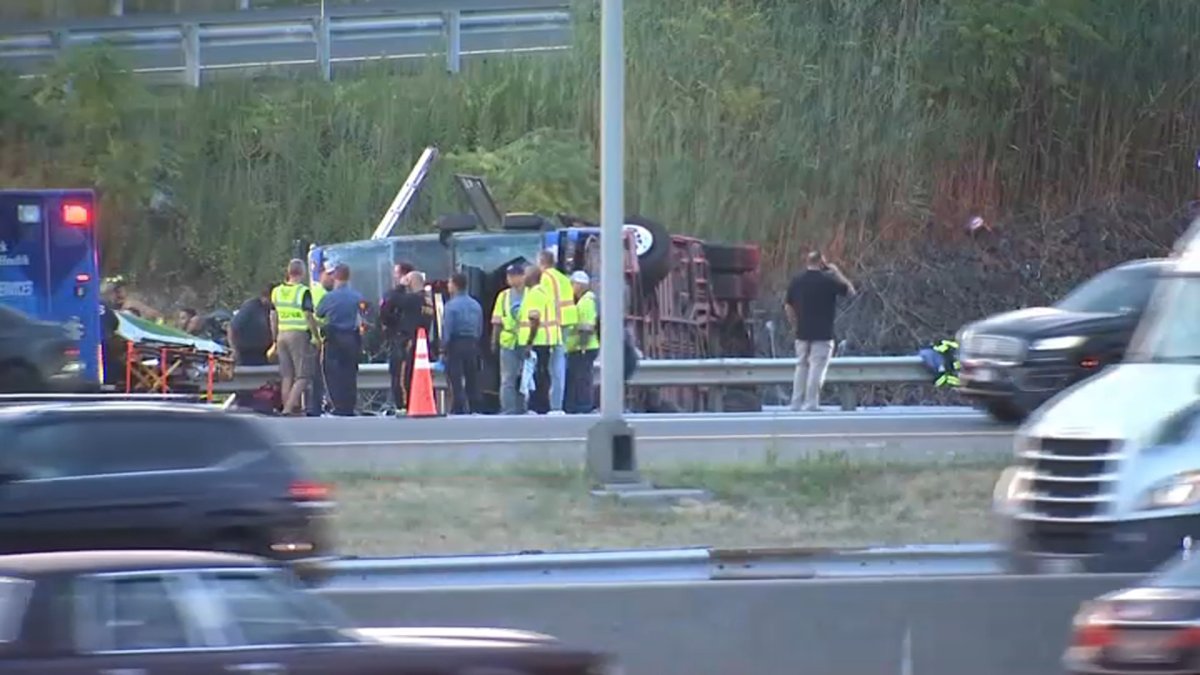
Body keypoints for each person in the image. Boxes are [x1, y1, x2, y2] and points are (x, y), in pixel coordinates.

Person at [784, 250, 856, 412]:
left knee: (801, 366)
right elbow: (851, 292)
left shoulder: (797, 280)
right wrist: (837, 273)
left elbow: (788, 306)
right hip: (823, 333)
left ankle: (795, 403)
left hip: (802, 332)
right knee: (817, 368)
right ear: (822, 262)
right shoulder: (829, 280)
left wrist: (795, 324)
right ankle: (811, 403)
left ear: (807, 262)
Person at [270, 259, 319, 416]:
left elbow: (273, 316)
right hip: (298, 335)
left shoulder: (276, 291)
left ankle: (290, 406)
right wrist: (315, 336)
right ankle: (289, 408)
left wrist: (274, 339)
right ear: (302, 272)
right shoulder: (302, 292)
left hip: (281, 334)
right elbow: (308, 315)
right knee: (303, 375)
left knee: (287, 375)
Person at [316, 263, 365, 416]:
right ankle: (349, 406)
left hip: (334, 338)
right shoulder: (356, 296)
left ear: (335, 277)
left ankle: (338, 406)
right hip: (351, 338)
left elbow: (319, 313)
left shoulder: (329, 297)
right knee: (350, 374)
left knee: (334, 374)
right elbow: (364, 312)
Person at [379, 265, 426, 415]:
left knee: (400, 375)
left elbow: (388, 300)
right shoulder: (427, 299)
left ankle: (403, 405)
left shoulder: (413, 299)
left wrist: (400, 285)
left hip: (405, 341)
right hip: (418, 344)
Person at [536, 249, 575, 415]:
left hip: (557, 323)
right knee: (558, 364)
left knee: (556, 366)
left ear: (542, 261)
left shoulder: (546, 277)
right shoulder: (562, 277)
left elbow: (546, 302)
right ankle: (557, 403)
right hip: (567, 321)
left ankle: (556, 405)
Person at [441, 272, 483, 415]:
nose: (448, 286)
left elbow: (448, 328)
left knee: (455, 377)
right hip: (472, 343)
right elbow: (479, 327)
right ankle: (474, 406)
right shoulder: (475, 305)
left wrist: (443, 347)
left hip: (456, 344)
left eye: (449, 283)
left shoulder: (451, 306)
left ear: (455, 285)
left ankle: (458, 407)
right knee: (472, 376)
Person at [491, 263, 528, 415]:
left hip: (527, 341)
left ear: (522, 276)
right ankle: (508, 409)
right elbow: (497, 321)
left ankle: (523, 407)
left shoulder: (531, 293)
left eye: (514, 275)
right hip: (508, 342)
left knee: (526, 378)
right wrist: (494, 340)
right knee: (507, 378)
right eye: (509, 276)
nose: (511, 279)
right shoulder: (504, 296)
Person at [521, 267, 557, 414]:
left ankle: (537, 406)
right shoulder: (544, 291)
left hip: (537, 341)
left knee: (536, 375)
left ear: (532, 277)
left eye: (525, 274)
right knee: (542, 373)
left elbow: (534, 320)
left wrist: (529, 342)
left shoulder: (535, 294)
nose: (523, 277)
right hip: (544, 341)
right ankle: (542, 405)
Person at [565, 270, 599, 414]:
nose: (571, 287)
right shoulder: (585, 301)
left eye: (572, 284)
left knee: (582, 379)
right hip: (581, 347)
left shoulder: (585, 302)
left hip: (583, 347)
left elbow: (586, 327)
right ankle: (578, 405)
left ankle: (583, 406)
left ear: (579, 285)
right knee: (579, 378)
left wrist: (582, 346)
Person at [307, 261, 336, 417]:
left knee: (316, 376)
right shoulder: (320, 293)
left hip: (314, 339)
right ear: (321, 274)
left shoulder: (317, 291)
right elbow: (316, 317)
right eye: (329, 275)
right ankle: (315, 407)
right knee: (317, 376)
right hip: (316, 340)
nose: (332, 279)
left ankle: (315, 406)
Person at [228, 285, 273, 367]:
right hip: (247, 352)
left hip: (264, 352)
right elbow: (232, 327)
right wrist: (234, 349)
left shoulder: (271, 309)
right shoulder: (251, 307)